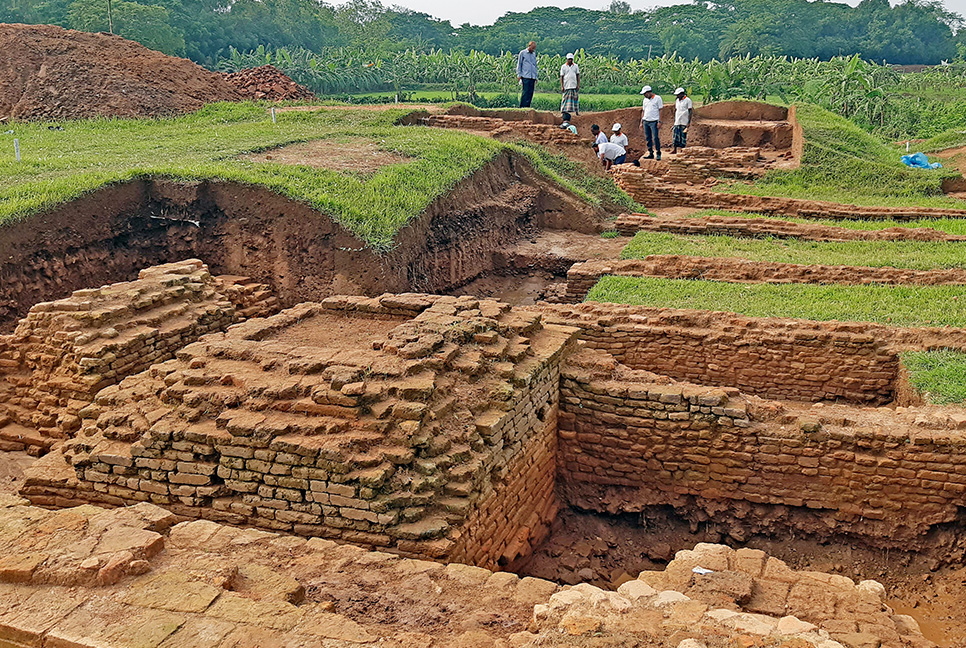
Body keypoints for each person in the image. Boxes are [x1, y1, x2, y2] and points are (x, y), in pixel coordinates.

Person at [639, 85, 664, 160]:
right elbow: (643, 111)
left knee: (655, 137)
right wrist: (641, 121)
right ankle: (650, 153)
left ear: (649, 92)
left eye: (645, 94)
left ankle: (658, 153)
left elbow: (661, 110)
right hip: (646, 121)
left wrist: (660, 121)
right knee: (648, 138)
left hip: (654, 121)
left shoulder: (657, 98)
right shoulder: (645, 100)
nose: (644, 95)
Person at [671, 87, 693, 154]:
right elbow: (676, 110)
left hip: (684, 121)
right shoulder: (677, 100)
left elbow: (690, 111)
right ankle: (675, 149)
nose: (677, 96)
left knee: (683, 136)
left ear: (682, 94)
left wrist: (689, 122)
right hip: (677, 121)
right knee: (675, 135)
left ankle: (682, 150)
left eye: (678, 95)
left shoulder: (688, 100)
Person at [517, 41, 538, 108]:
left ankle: (527, 106)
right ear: (529, 46)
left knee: (530, 92)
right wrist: (519, 75)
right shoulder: (522, 53)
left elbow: (534, 65)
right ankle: (522, 106)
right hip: (525, 75)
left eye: (534, 49)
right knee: (525, 92)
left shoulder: (533, 54)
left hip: (532, 76)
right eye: (532, 48)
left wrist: (536, 76)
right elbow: (519, 64)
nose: (533, 50)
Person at [560, 52, 580, 117]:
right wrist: (562, 86)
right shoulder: (563, 67)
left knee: (575, 99)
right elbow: (562, 77)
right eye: (569, 59)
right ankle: (563, 111)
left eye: (571, 59)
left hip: (574, 85)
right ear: (567, 59)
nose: (570, 60)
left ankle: (576, 112)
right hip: (566, 85)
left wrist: (578, 85)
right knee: (565, 99)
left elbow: (578, 76)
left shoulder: (576, 66)